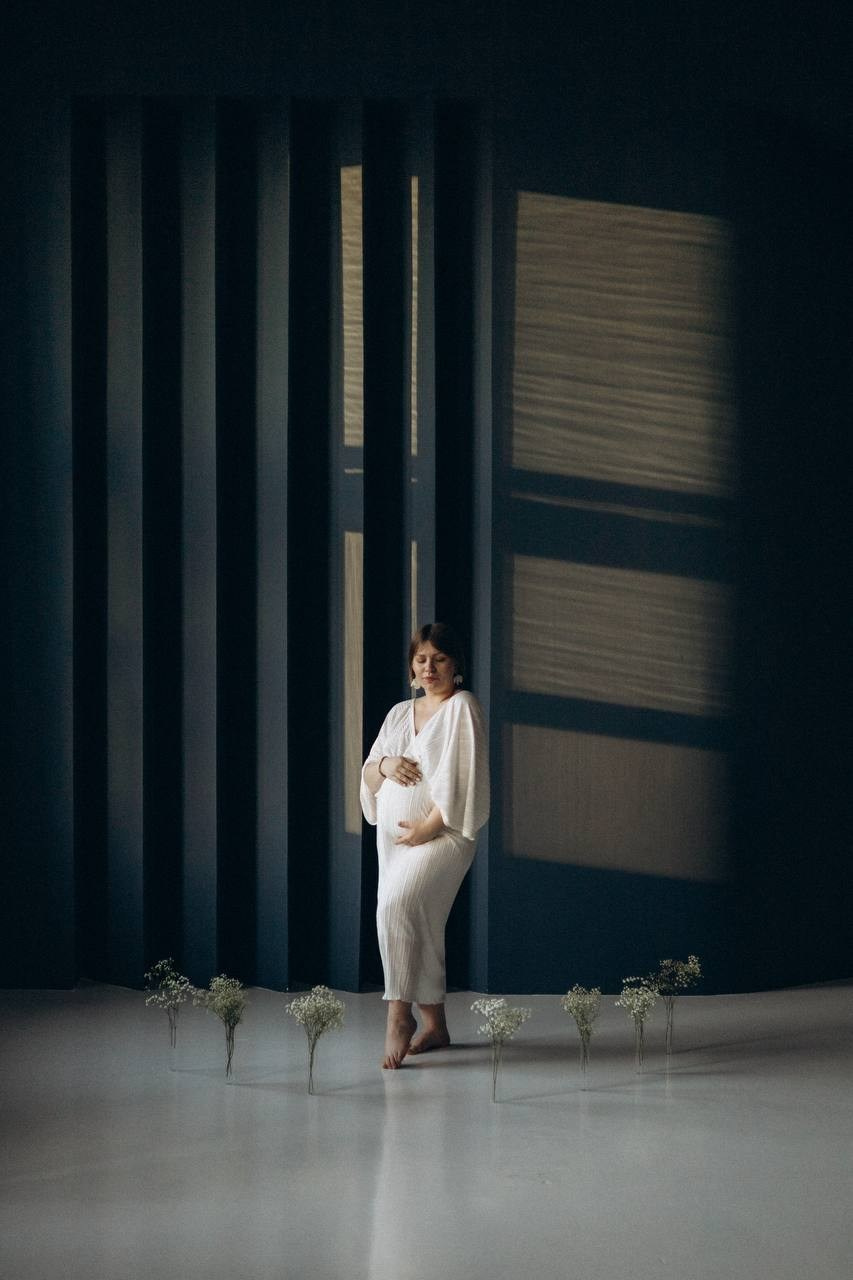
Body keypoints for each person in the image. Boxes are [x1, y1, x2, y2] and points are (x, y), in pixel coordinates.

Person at [360, 622, 490, 1069]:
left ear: (456, 665)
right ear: (412, 668)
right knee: (422, 923)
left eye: (439, 659)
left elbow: (466, 780)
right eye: (421, 659)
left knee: (395, 906)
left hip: (445, 834)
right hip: (395, 841)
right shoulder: (399, 713)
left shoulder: (462, 708)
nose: (429, 667)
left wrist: (428, 828)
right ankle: (436, 1025)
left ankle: (399, 1015)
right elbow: (368, 773)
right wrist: (386, 764)